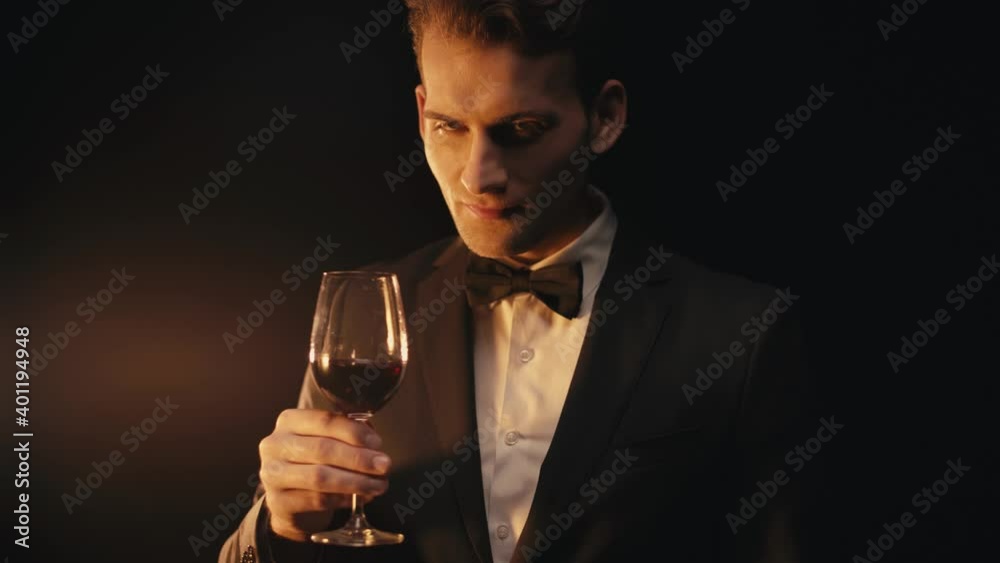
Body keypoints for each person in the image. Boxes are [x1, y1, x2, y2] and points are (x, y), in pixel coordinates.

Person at [221, 1, 810, 561]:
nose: (478, 176)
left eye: (521, 129)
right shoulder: (373, 309)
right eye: (449, 126)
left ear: (605, 119)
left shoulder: (744, 332)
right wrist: (283, 526)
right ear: (422, 111)